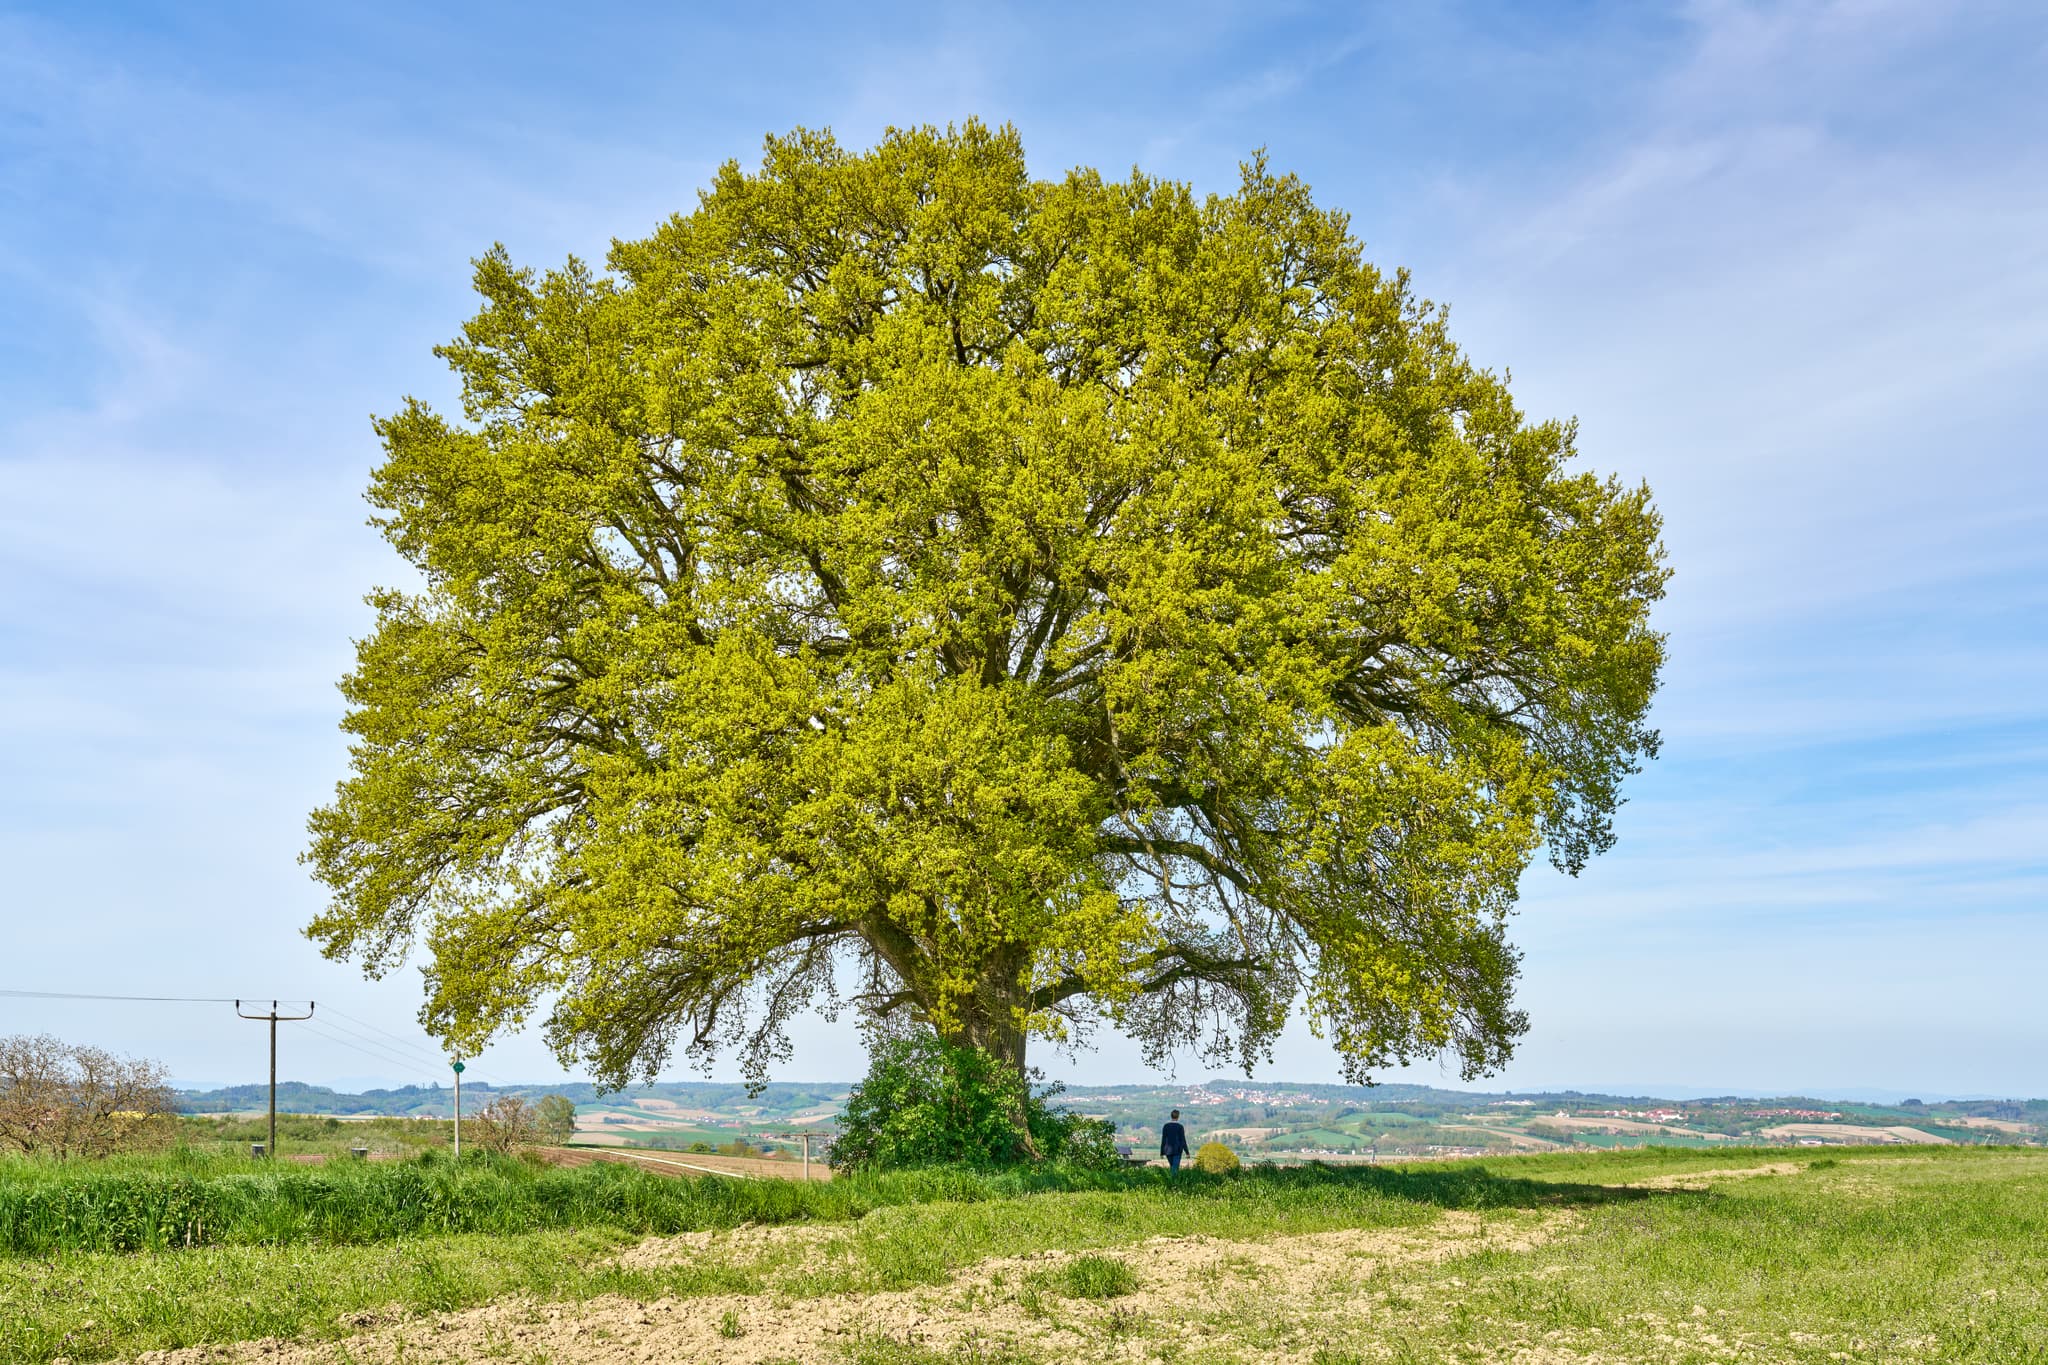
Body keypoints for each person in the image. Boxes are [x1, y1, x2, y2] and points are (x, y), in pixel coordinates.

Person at [1160, 1108, 1191, 1173]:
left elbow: (1163, 1139)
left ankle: (1171, 1181)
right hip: (1177, 1150)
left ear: (1171, 1116)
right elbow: (1183, 1140)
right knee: (1175, 1168)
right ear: (1178, 1117)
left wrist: (1161, 1152)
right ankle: (1174, 1182)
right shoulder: (1180, 1127)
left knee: (1173, 1167)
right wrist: (1187, 1152)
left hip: (1168, 1151)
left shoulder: (1166, 1126)